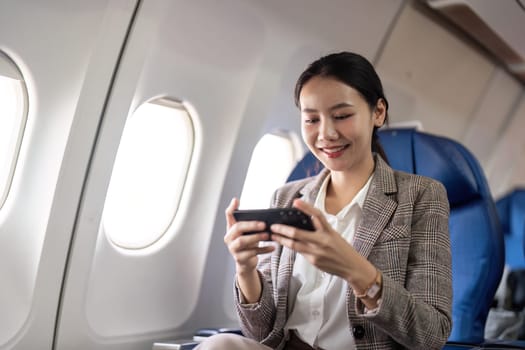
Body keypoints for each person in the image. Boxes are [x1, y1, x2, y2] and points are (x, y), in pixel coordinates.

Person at [196, 52, 452, 349]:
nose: (326, 134)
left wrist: (356, 271)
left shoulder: (421, 196)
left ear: (378, 112)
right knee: (220, 345)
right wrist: (246, 270)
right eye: (312, 119)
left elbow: (431, 334)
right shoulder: (287, 197)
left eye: (342, 116)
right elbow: (260, 333)